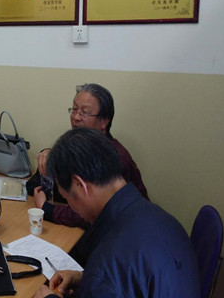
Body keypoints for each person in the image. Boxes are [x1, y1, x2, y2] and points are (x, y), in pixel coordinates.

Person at [34, 128, 199, 298]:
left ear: (79, 184)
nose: (71, 206)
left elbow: (113, 279)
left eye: (66, 197)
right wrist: (85, 279)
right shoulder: (162, 219)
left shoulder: (106, 264)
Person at [32, 83, 148, 229]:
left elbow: (93, 214)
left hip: (127, 230)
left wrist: (47, 209)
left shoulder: (115, 157)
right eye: (74, 109)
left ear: (104, 121)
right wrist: (51, 156)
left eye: (85, 112)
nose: (75, 117)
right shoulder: (79, 148)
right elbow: (40, 187)